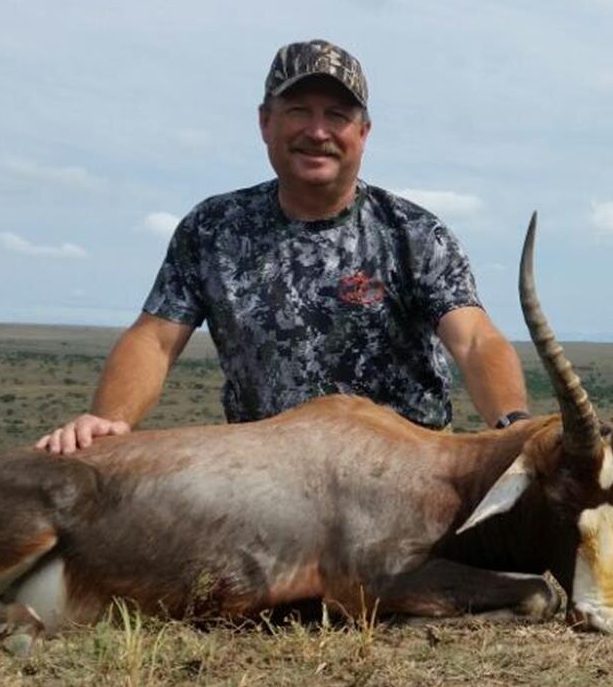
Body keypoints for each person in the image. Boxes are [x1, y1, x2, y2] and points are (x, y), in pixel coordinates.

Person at [37, 39, 530, 454]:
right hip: (268, 480)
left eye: (337, 115)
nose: (317, 132)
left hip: (406, 471)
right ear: (265, 123)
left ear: (363, 132)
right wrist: (107, 421)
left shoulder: (414, 233)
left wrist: (513, 427)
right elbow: (155, 339)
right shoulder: (213, 228)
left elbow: (474, 339)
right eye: (298, 112)